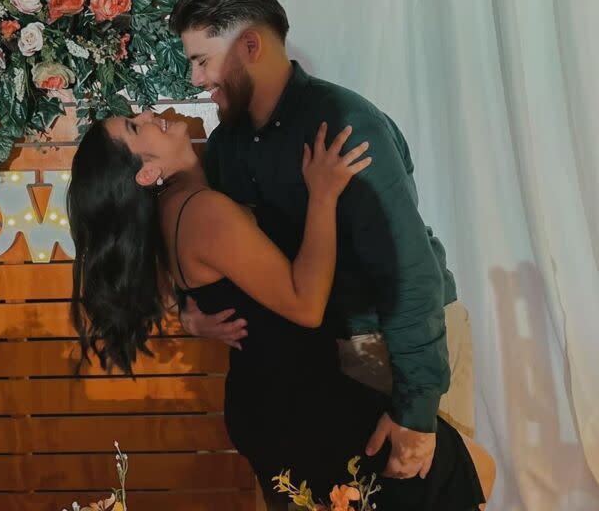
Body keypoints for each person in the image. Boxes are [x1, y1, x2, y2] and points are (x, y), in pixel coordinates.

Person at [66, 111, 493, 509]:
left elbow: (194, 282)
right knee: (471, 473)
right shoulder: (202, 210)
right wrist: (323, 195)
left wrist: (188, 315)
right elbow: (305, 306)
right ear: (147, 172)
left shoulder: (175, 207)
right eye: (135, 128)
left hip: (281, 394)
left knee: (461, 476)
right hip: (296, 401)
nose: (146, 115)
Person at [169, 0, 479, 488]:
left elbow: (408, 272)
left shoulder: (345, 124)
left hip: (390, 344)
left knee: (426, 494)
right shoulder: (227, 146)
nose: (196, 79)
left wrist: (416, 409)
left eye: (202, 60)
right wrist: (190, 314)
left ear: (249, 46)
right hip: (320, 361)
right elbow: (219, 256)